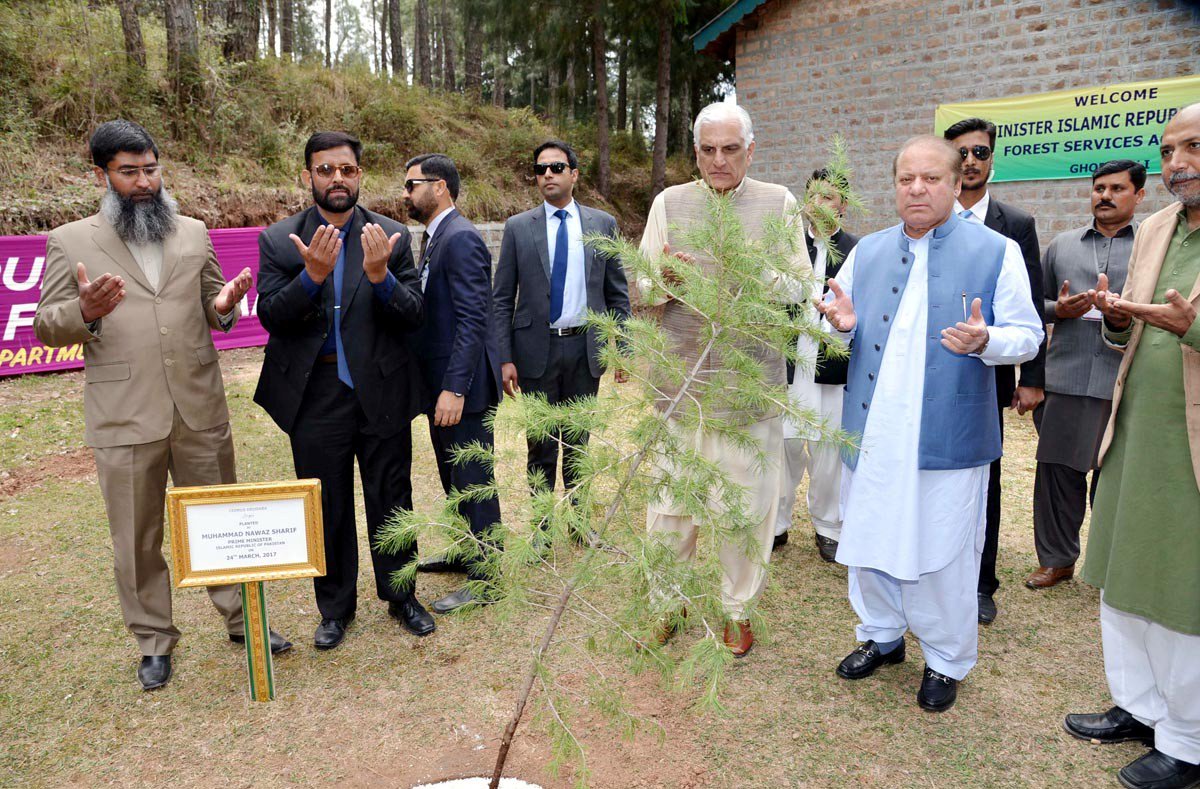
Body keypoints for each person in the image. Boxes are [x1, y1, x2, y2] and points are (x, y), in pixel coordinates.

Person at [34, 119, 289, 691]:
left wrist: (224, 305)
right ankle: (153, 640)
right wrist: (86, 311)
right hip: (124, 413)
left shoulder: (194, 231)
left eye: (151, 169)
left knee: (222, 519)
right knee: (135, 535)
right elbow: (46, 326)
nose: (144, 182)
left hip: (198, 405)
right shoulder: (70, 241)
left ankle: (241, 619)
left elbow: (212, 304)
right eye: (129, 172)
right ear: (101, 175)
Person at [820, 135, 1042, 712]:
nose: (917, 189)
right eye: (905, 180)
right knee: (869, 535)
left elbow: (1029, 332)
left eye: (930, 179)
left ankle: (945, 660)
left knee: (943, 549)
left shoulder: (996, 250)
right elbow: (832, 322)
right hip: (871, 431)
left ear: (956, 182)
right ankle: (881, 635)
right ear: (894, 185)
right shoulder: (867, 250)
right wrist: (840, 325)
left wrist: (988, 339)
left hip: (947, 434)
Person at [1064, 103, 1200, 789]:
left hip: (1190, 455)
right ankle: (1140, 707)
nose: (1178, 163)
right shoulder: (1155, 228)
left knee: (1181, 592)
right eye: (1170, 150)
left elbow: (1182, 328)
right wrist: (1118, 321)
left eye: (1194, 147)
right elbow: (1133, 335)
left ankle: (1187, 741)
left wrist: (1190, 328)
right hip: (1134, 432)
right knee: (1121, 579)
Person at [254, 131, 433, 650]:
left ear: (360, 176)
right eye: (326, 169)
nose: (337, 178)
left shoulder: (391, 234)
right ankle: (335, 608)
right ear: (308, 176)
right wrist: (310, 277)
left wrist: (381, 279)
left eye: (347, 170)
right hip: (315, 395)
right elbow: (271, 315)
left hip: (380, 389)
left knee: (391, 497)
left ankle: (401, 596)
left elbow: (414, 315)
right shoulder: (279, 239)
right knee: (326, 503)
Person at [638, 102, 804, 658]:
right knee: (668, 509)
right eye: (708, 149)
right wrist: (662, 280)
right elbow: (641, 288)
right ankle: (668, 602)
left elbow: (799, 288)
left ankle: (738, 610)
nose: (718, 160)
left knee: (743, 510)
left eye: (730, 149)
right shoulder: (669, 203)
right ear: (696, 153)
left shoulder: (779, 202)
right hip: (678, 387)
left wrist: (755, 268)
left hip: (748, 388)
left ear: (750, 150)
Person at [944, 117, 1046, 624]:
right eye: (960, 153)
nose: (969, 161)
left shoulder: (1016, 226)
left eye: (979, 152)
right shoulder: (930, 220)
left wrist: (1031, 378)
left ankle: (982, 583)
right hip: (935, 371)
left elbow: (1030, 310)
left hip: (989, 371)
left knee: (987, 476)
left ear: (992, 160)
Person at [492, 140, 631, 507]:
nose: (547, 175)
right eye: (540, 170)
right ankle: (542, 524)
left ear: (574, 174)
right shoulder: (519, 228)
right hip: (536, 351)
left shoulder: (603, 224)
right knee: (540, 445)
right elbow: (502, 298)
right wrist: (504, 357)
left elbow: (617, 293)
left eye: (555, 167)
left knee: (578, 441)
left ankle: (577, 516)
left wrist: (625, 350)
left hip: (586, 350)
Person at [1026, 160, 1144, 590]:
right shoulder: (1062, 245)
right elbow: (1029, 308)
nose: (1105, 196)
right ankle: (1056, 560)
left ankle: (1113, 566)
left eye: (1116, 188)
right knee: (1057, 472)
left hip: (1128, 380)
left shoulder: (1152, 246)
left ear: (1139, 195)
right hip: (1068, 376)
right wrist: (1061, 309)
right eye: (1098, 188)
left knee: (1118, 479)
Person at [405, 153, 504, 614]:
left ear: (439, 186)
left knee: (472, 477)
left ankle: (488, 577)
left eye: (412, 185)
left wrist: (455, 388)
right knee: (453, 476)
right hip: (442, 385)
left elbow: (472, 319)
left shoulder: (460, 238)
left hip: (461, 389)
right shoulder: (437, 235)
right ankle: (468, 549)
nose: (406, 194)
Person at [775, 168, 859, 561]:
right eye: (814, 196)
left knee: (827, 451)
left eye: (830, 197)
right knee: (784, 445)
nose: (820, 205)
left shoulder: (859, 250)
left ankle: (828, 527)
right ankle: (776, 524)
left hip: (832, 364)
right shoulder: (787, 247)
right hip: (789, 361)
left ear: (843, 204)